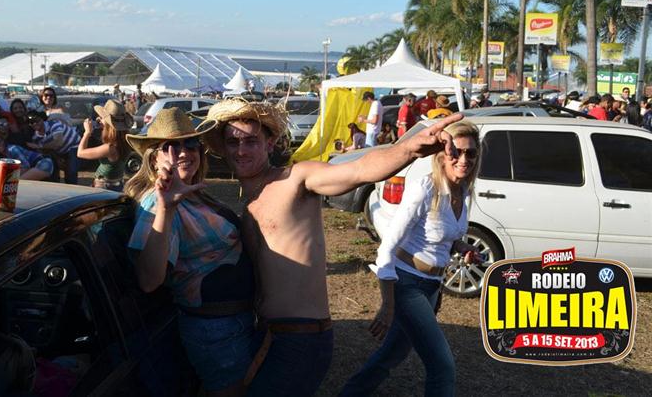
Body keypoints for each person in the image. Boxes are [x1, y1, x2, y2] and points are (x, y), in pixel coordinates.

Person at [202, 99, 462, 397]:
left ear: (269, 143)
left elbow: (360, 170)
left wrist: (409, 149)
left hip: (302, 337)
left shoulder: (296, 179)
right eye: (233, 142)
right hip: (268, 334)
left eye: (251, 141)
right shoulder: (247, 208)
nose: (241, 150)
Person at [340, 120, 482, 397]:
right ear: (442, 155)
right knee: (442, 366)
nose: (463, 159)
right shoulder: (425, 188)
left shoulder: (463, 190)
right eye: (456, 152)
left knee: (391, 355)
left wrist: (462, 246)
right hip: (407, 285)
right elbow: (387, 248)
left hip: (433, 285)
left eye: (471, 153)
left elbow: (444, 237)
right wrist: (388, 302)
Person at [124, 108, 256, 396]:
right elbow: (149, 279)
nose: (183, 152)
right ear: (154, 158)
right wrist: (166, 209)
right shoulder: (156, 203)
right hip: (217, 330)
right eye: (170, 146)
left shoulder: (194, 192)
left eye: (191, 143)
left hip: (233, 322)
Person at [76, 99, 133, 190]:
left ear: (109, 124)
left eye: (102, 118)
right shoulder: (125, 141)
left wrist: (87, 133)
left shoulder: (110, 148)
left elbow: (80, 153)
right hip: (117, 184)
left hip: (104, 186)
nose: (99, 120)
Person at [27, 111, 81, 184]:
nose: (35, 124)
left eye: (37, 120)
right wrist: (57, 159)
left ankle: (72, 187)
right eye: (31, 122)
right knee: (53, 168)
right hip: (59, 151)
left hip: (73, 145)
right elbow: (47, 150)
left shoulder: (54, 124)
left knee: (71, 171)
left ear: (42, 119)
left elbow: (58, 142)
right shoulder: (35, 137)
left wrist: (40, 146)